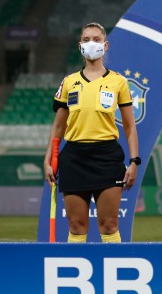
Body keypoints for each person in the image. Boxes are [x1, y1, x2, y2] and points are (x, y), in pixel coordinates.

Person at [44, 22, 139, 243]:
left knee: (109, 225)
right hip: (74, 158)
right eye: (86, 39)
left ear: (105, 45)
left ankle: (114, 275)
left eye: (96, 39)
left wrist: (134, 161)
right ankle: (74, 276)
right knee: (76, 227)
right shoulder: (69, 82)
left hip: (107, 157)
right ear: (80, 46)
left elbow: (130, 126)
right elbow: (58, 127)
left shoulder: (119, 82)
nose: (91, 43)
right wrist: (48, 158)